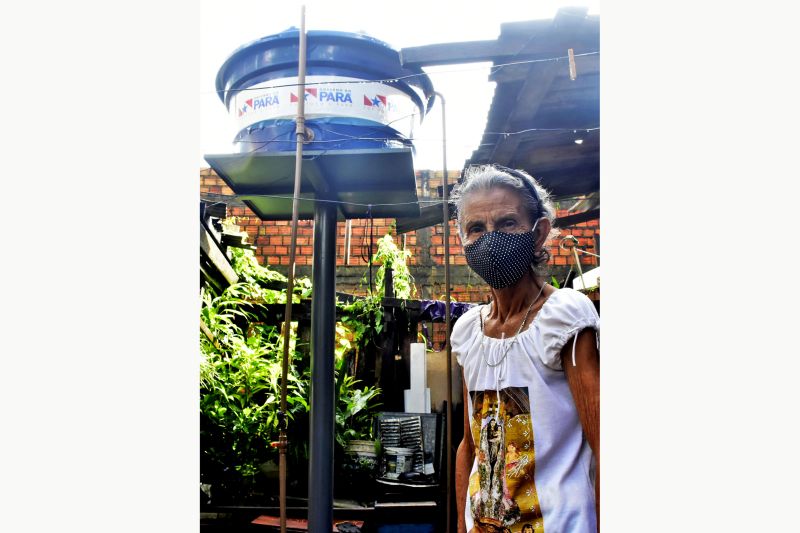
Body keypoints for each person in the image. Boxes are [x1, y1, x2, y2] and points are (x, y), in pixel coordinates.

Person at [451, 164, 600, 533]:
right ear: (462, 241)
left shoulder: (562, 317)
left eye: (506, 223)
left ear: (539, 234)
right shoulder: (468, 331)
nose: (490, 238)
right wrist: (461, 523)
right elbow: (470, 447)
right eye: (476, 228)